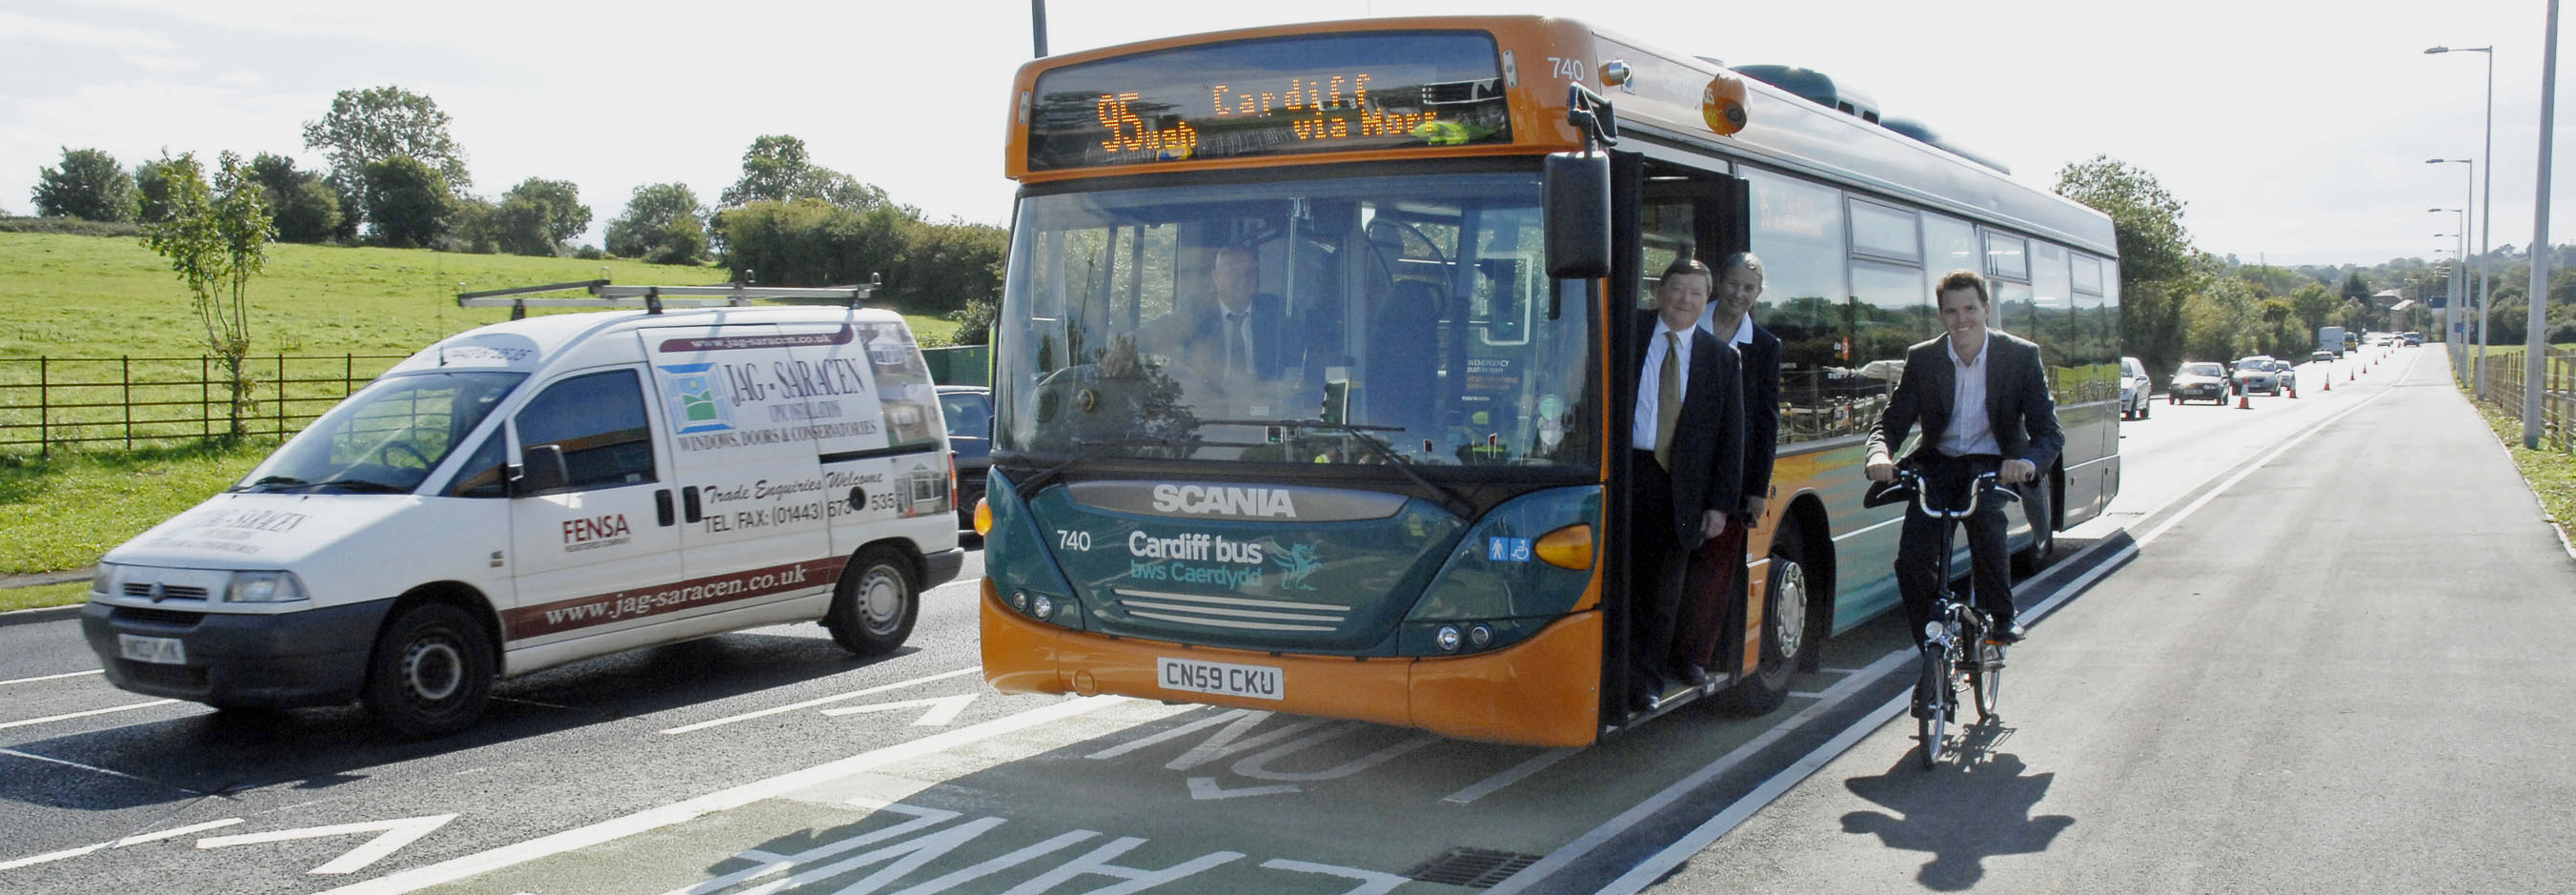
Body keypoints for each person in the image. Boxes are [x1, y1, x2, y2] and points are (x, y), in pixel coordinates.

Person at [1863, 270, 2062, 653]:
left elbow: (2049, 434)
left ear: (1986, 309)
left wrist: (2025, 463)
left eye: (1970, 308)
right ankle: (1934, 647)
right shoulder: (1924, 359)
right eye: (1951, 311)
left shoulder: (2020, 357)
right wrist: (1879, 453)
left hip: (1992, 463)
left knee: (1988, 524)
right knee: (1911, 562)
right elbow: (1890, 422)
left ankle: (1999, 619)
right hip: (1938, 464)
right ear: (1941, 316)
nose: (1962, 319)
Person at [1628, 257, 1745, 709]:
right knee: (1620, 581)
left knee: (1663, 594)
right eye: (1678, 289)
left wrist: (1720, 506)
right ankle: (1613, 674)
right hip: (1626, 474)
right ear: (1661, 291)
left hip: (1680, 489)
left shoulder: (1721, 358)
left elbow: (1730, 438)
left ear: (1706, 301)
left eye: (1697, 293)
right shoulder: (1627, 332)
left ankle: (1647, 683)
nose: (1686, 300)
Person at [1675, 251, 1781, 675]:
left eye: (1749, 288)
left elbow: (1766, 421)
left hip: (1733, 473)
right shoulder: (1685, 322)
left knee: (1714, 575)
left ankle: (1694, 658)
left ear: (1758, 294)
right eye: (1734, 284)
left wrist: (1757, 489)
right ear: (1721, 282)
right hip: (1680, 465)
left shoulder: (1766, 346)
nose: (1740, 294)